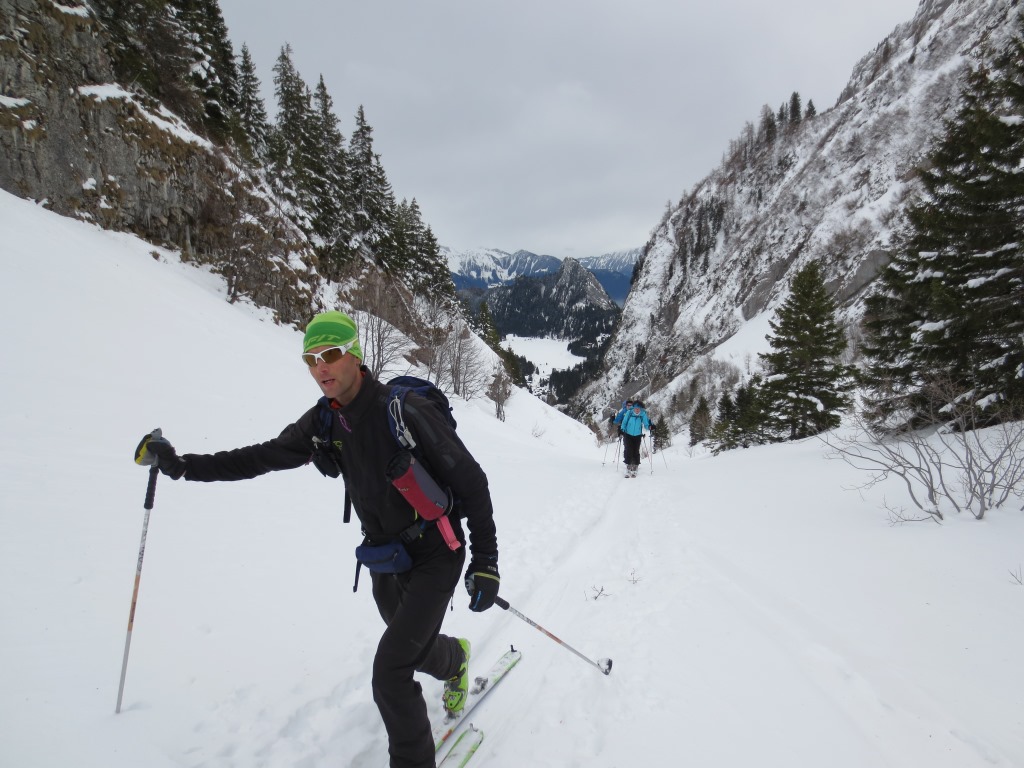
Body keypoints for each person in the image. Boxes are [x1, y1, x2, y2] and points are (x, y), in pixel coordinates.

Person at [134, 310, 500, 768]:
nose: (320, 367)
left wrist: (485, 560)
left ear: (355, 356)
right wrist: (185, 465)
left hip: (434, 552)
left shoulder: (406, 412)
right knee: (411, 643)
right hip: (385, 556)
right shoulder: (324, 423)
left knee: (389, 671)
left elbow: (472, 482)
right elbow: (262, 457)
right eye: (310, 358)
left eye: (330, 354)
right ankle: (455, 659)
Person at [613, 399, 651, 478]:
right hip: (628, 434)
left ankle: (636, 465)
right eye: (636, 408)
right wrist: (622, 429)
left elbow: (646, 423)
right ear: (633, 408)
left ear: (640, 409)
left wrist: (650, 427)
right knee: (628, 450)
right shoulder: (629, 413)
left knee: (636, 450)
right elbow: (624, 422)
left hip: (637, 435)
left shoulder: (642, 414)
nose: (637, 410)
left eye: (638, 409)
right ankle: (628, 466)